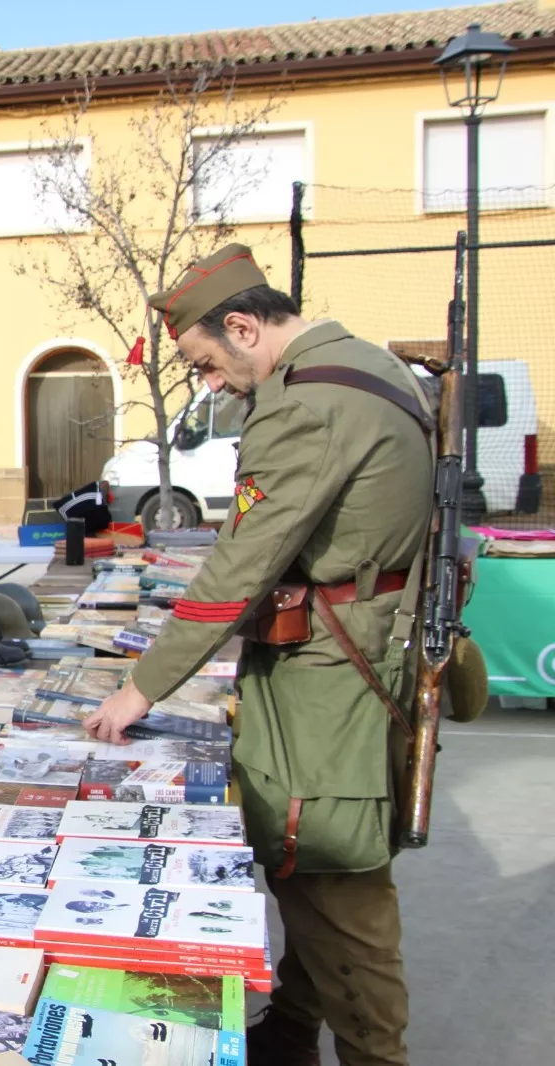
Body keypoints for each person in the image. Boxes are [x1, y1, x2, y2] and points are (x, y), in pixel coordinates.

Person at [84, 243, 433, 1066]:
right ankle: (287, 1036)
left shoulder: (303, 403)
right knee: (308, 876)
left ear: (243, 326)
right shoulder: (374, 369)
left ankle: (370, 1054)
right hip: (364, 656)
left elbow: (242, 564)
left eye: (208, 363)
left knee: (336, 883)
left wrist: (140, 689)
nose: (211, 384)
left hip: (327, 680)